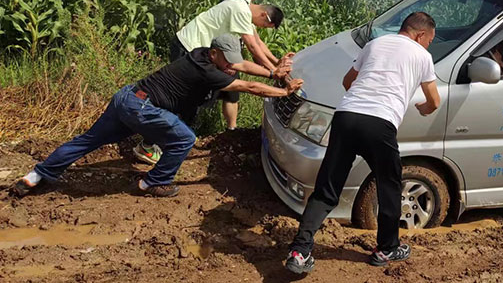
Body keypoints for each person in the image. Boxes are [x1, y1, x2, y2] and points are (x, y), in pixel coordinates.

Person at [11, 35, 303, 199]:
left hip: (127, 97)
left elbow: (244, 66)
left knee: (88, 141)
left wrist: (273, 72)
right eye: (226, 58)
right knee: (185, 138)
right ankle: (153, 182)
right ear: (214, 54)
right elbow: (247, 86)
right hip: (142, 108)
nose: (231, 63)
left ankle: (36, 175)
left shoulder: (202, 55)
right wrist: (285, 92)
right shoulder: (207, 69)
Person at [285, 12, 441, 275]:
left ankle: (300, 251)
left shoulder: (375, 44)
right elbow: (434, 101)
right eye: (429, 41)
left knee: (327, 188)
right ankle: (387, 247)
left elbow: (348, 81)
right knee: (389, 184)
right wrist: (423, 108)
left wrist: (363, 101)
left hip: (346, 117)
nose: (428, 46)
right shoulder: (422, 56)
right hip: (380, 124)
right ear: (421, 34)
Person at [133, 0, 293, 165]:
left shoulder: (243, 7)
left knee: (196, 99)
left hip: (200, 52)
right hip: (188, 48)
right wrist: (274, 73)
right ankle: (150, 144)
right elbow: (252, 47)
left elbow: (258, 43)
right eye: (265, 26)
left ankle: (167, 139)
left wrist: (277, 64)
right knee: (182, 97)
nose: (261, 28)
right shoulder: (240, 9)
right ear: (265, 16)